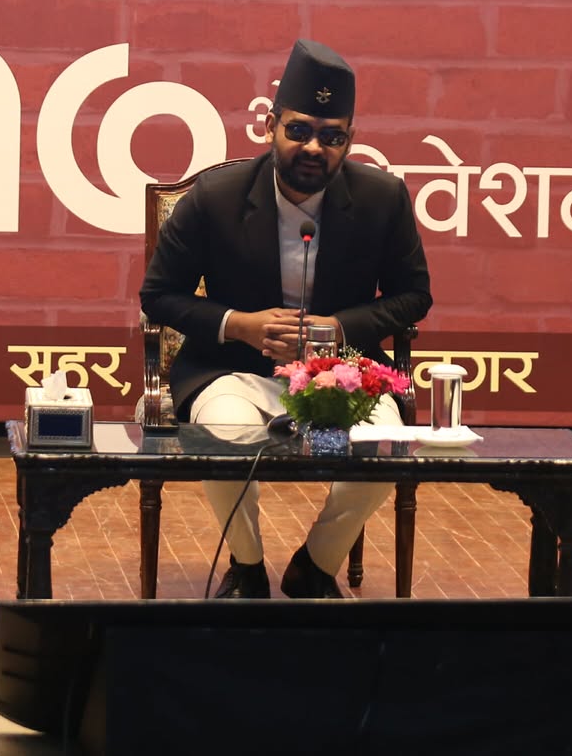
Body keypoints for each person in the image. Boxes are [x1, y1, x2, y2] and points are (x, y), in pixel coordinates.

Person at [140, 39, 431, 598]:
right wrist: (240, 324)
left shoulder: (382, 199)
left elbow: (414, 296)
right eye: (299, 130)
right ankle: (247, 565)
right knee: (223, 434)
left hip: (342, 375)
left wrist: (338, 330)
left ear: (349, 140)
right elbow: (158, 295)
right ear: (271, 126)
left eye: (331, 136)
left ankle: (316, 565)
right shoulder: (216, 197)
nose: (313, 147)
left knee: (388, 442)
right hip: (232, 370)